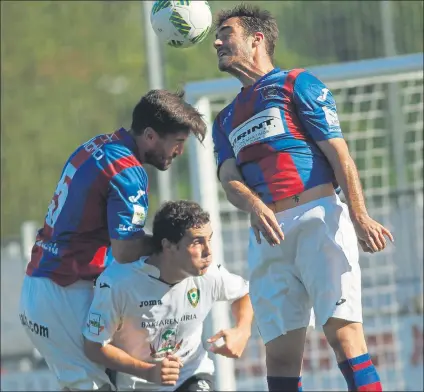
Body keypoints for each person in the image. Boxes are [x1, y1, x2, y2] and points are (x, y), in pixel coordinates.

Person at [212, 5, 394, 392]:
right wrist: (253, 203)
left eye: (226, 33)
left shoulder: (297, 83)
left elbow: (339, 154)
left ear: (256, 39)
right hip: (267, 235)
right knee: (278, 357)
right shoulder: (224, 118)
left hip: (318, 219)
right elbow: (229, 178)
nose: (216, 41)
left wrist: (360, 216)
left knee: (345, 339)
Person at [19, 90, 207, 391]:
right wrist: (170, 246)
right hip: (64, 293)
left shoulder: (98, 144)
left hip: (45, 288)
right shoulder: (127, 171)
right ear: (149, 135)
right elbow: (126, 249)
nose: (179, 152)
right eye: (177, 142)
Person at [83, 200, 253, 391]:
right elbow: (94, 346)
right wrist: (148, 371)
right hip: (137, 384)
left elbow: (243, 293)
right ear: (168, 245)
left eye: (209, 239)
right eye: (197, 242)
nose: (208, 252)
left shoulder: (210, 274)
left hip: (191, 374)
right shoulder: (118, 283)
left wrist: (242, 331)